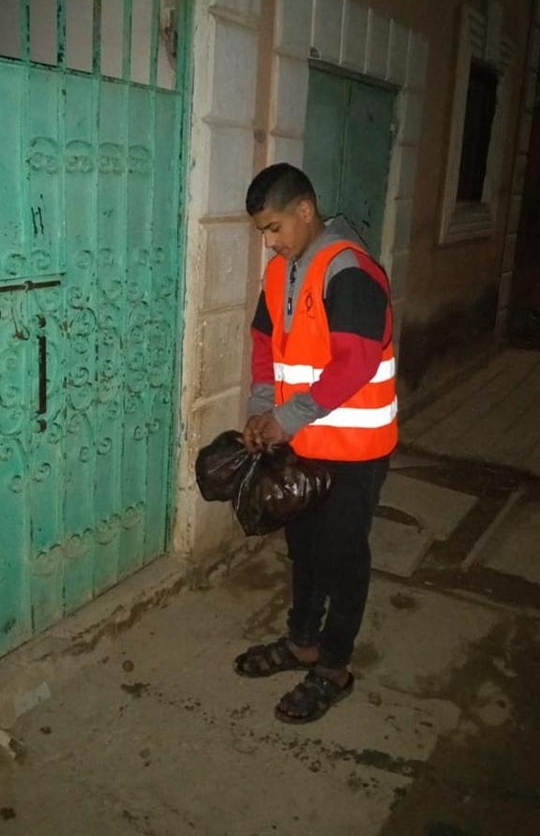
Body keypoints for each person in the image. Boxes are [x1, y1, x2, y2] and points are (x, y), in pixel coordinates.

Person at [234, 162, 398, 724]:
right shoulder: (280, 272)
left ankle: (334, 669)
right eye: (263, 231)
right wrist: (262, 411)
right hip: (300, 444)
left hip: (355, 450)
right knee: (304, 549)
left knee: (343, 557)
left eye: (274, 227)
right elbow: (265, 343)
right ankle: (302, 643)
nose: (270, 241)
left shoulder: (350, 271)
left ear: (305, 210)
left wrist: (287, 417)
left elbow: (355, 363)